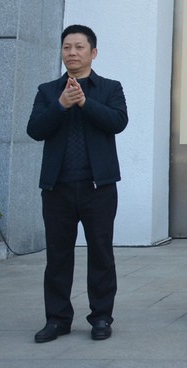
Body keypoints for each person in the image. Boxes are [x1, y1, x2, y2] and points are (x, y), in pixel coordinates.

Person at [26, 24, 128, 343]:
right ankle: (57, 319)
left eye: (79, 47)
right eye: (67, 47)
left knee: (100, 252)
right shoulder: (47, 91)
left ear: (92, 53)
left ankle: (100, 318)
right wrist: (61, 105)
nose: (72, 52)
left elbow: (118, 122)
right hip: (57, 188)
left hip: (98, 187)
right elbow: (35, 130)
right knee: (58, 255)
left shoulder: (110, 88)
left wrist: (84, 103)